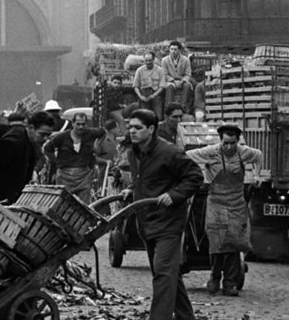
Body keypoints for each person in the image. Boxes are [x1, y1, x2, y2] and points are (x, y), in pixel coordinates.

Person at [122, 109, 203, 320]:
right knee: (168, 275)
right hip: (147, 221)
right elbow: (145, 179)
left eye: (137, 127)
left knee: (163, 274)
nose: (132, 131)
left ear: (151, 129)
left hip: (168, 222)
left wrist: (175, 194)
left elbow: (195, 177)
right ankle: (186, 317)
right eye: (130, 127)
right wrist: (131, 189)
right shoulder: (134, 152)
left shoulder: (169, 153)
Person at [186, 124, 263, 296]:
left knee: (234, 241)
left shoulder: (243, 152)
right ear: (220, 140)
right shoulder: (211, 152)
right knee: (217, 240)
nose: (229, 147)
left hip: (236, 203)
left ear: (237, 141)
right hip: (216, 202)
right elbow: (187, 156)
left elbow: (258, 155)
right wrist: (195, 176)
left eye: (232, 143)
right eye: (226, 143)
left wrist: (257, 175)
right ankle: (214, 278)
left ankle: (229, 282)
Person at [43, 112, 106, 204]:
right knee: (63, 205)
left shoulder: (90, 133)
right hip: (64, 176)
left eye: (83, 124)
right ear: (73, 124)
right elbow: (47, 149)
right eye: (78, 124)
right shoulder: (62, 137)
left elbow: (103, 132)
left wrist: (97, 145)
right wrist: (56, 162)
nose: (81, 127)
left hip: (83, 176)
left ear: (86, 125)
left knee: (84, 206)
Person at [133, 52, 166, 120]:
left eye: (150, 60)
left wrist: (153, 95)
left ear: (153, 60)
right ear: (144, 60)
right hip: (144, 94)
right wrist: (140, 97)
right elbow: (135, 86)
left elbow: (162, 86)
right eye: (146, 60)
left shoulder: (160, 70)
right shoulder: (139, 70)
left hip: (156, 94)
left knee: (158, 117)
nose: (148, 62)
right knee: (144, 117)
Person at [161, 40, 192, 110]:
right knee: (169, 87)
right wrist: (173, 81)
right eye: (171, 49)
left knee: (187, 86)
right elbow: (165, 74)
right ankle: (169, 108)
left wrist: (182, 81)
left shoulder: (185, 60)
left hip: (182, 80)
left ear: (179, 50)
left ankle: (182, 106)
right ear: (169, 50)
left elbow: (188, 74)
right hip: (170, 81)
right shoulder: (164, 60)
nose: (173, 51)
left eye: (175, 49)